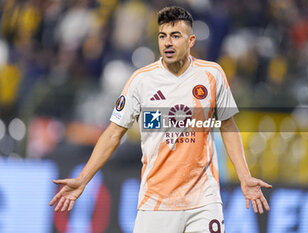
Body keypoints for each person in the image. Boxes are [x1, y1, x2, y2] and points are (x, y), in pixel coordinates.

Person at [50, 6, 272, 233]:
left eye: (176, 36)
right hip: (157, 203)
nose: (168, 42)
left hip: (203, 201)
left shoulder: (212, 75)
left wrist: (244, 177)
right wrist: (83, 178)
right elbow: (113, 133)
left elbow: (227, 126)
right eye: (163, 36)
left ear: (191, 40)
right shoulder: (141, 81)